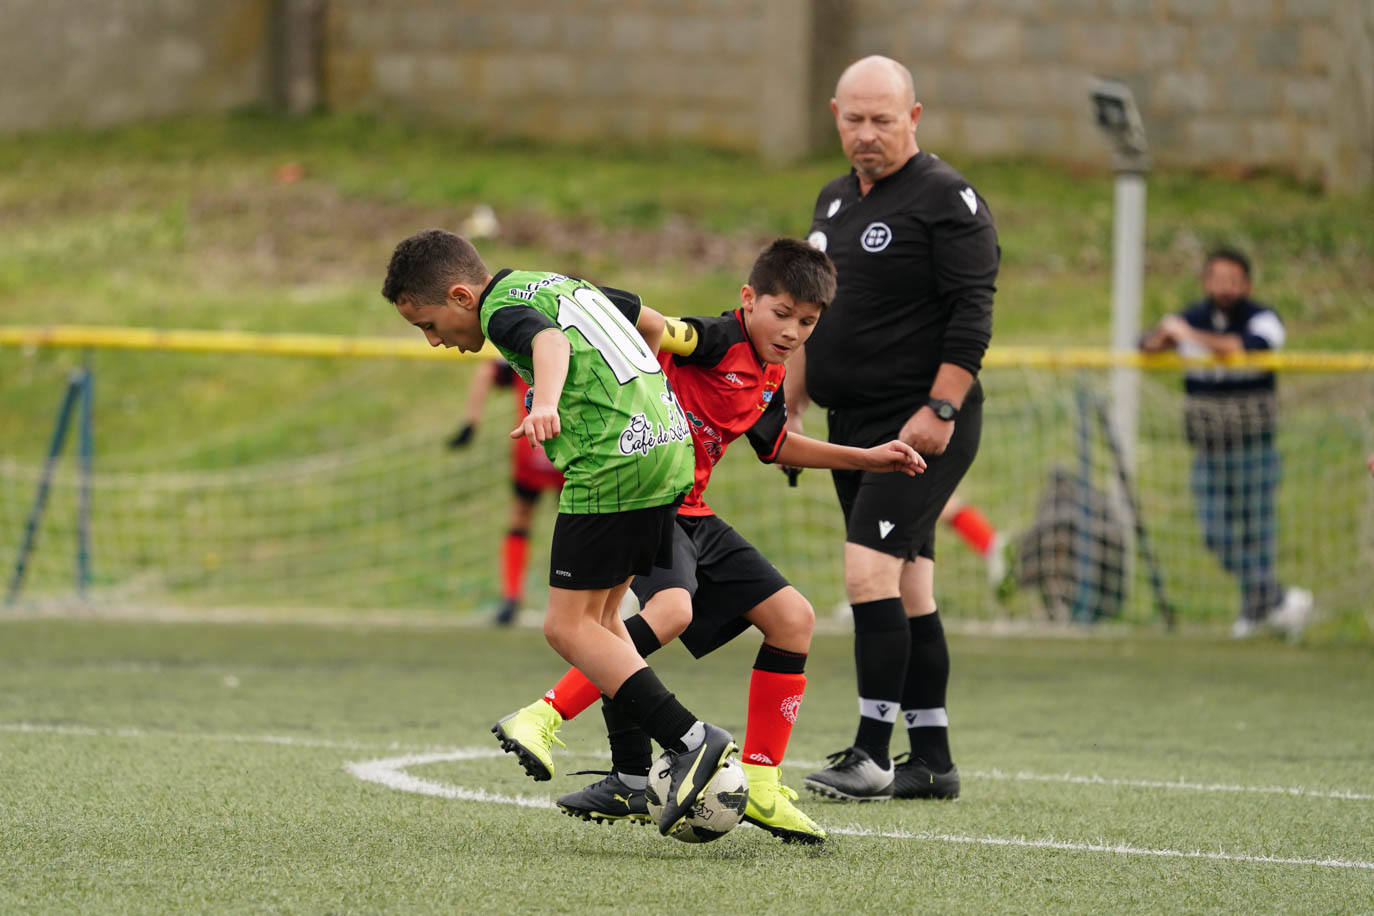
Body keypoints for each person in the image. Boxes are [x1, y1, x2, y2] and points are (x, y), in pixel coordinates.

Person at [490, 239, 925, 847]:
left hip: (694, 514)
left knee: (793, 619)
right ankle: (546, 715)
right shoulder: (713, 339)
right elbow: (647, 322)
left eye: (808, 321)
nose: (794, 331)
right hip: (647, 497)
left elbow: (774, 446)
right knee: (669, 610)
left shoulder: (769, 369)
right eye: (782, 313)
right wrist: (589, 305)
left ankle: (759, 785)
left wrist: (866, 459)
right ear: (748, 300)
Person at [380, 228, 734, 837]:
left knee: (565, 626)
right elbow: (649, 322)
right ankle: (630, 775)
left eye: (429, 325)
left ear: (462, 296)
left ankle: (692, 740)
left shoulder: (501, 309)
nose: (436, 340)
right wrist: (641, 396)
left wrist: (546, 402)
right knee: (602, 622)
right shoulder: (559, 284)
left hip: (612, 464)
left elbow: (543, 340)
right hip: (664, 446)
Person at [784, 55, 999, 802]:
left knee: (866, 574)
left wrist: (939, 409)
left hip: (920, 421)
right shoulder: (834, 200)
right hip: (852, 422)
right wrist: (790, 401)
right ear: (835, 115)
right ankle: (932, 759)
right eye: (854, 118)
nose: (867, 133)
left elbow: (974, 311)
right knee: (909, 586)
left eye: (883, 119)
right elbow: (809, 313)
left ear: (914, 117)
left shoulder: (947, 198)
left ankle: (872, 754)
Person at [1140, 248, 1312, 639]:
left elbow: (1247, 347)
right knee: (1214, 532)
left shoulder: (1263, 319)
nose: (1225, 288)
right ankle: (1280, 600)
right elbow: (1147, 344)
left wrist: (1189, 336)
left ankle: (1259, 612)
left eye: (1233, 280)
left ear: (1246, 284)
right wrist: (1164, 337)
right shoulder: (1190, 318)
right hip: (1208, 446)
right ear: (1205, 281)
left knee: (1258, 532)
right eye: (1218, 279)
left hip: (1255, 444)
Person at [447, 359, 565, 625]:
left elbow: (486, 369)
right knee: (579, 522)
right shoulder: (566, 344)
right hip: (568, 450)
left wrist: (471, 421)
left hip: (532, 447)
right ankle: (581, 594)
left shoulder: (521, 345)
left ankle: (511, 597)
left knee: (520, 518)